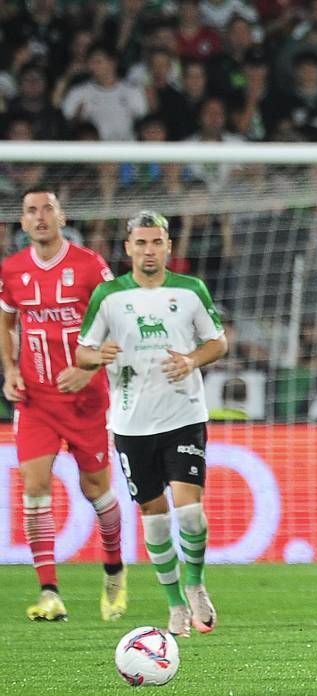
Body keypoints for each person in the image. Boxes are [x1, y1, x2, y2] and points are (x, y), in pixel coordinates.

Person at [77, 211, 228, 637]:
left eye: (156, 242)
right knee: (155, 516)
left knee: (191, 511)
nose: (149, 250)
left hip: (184, 415)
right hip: (130, 422)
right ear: (128, 248)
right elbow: (82, 352)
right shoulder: (109, 296)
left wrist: (192, 360)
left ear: (168, 246)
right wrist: (97, 356)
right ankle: (175, 604)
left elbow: (218, 341)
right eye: (141, 243)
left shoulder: (190, 290)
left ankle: (196, 584)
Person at [0, 187, 127, 622]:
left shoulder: (89, 265)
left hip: (86, 402)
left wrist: (88, 371)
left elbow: (120, 323)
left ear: (61, 216)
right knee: (34, 487)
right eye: (31, 211)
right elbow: (6, 320)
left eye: (47, 209)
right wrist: (9, 370)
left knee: (96, 490)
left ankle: (114, 570)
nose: (39, 217)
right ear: (22, 222)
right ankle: (49, 591)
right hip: (35, 400)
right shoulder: (12, 270)